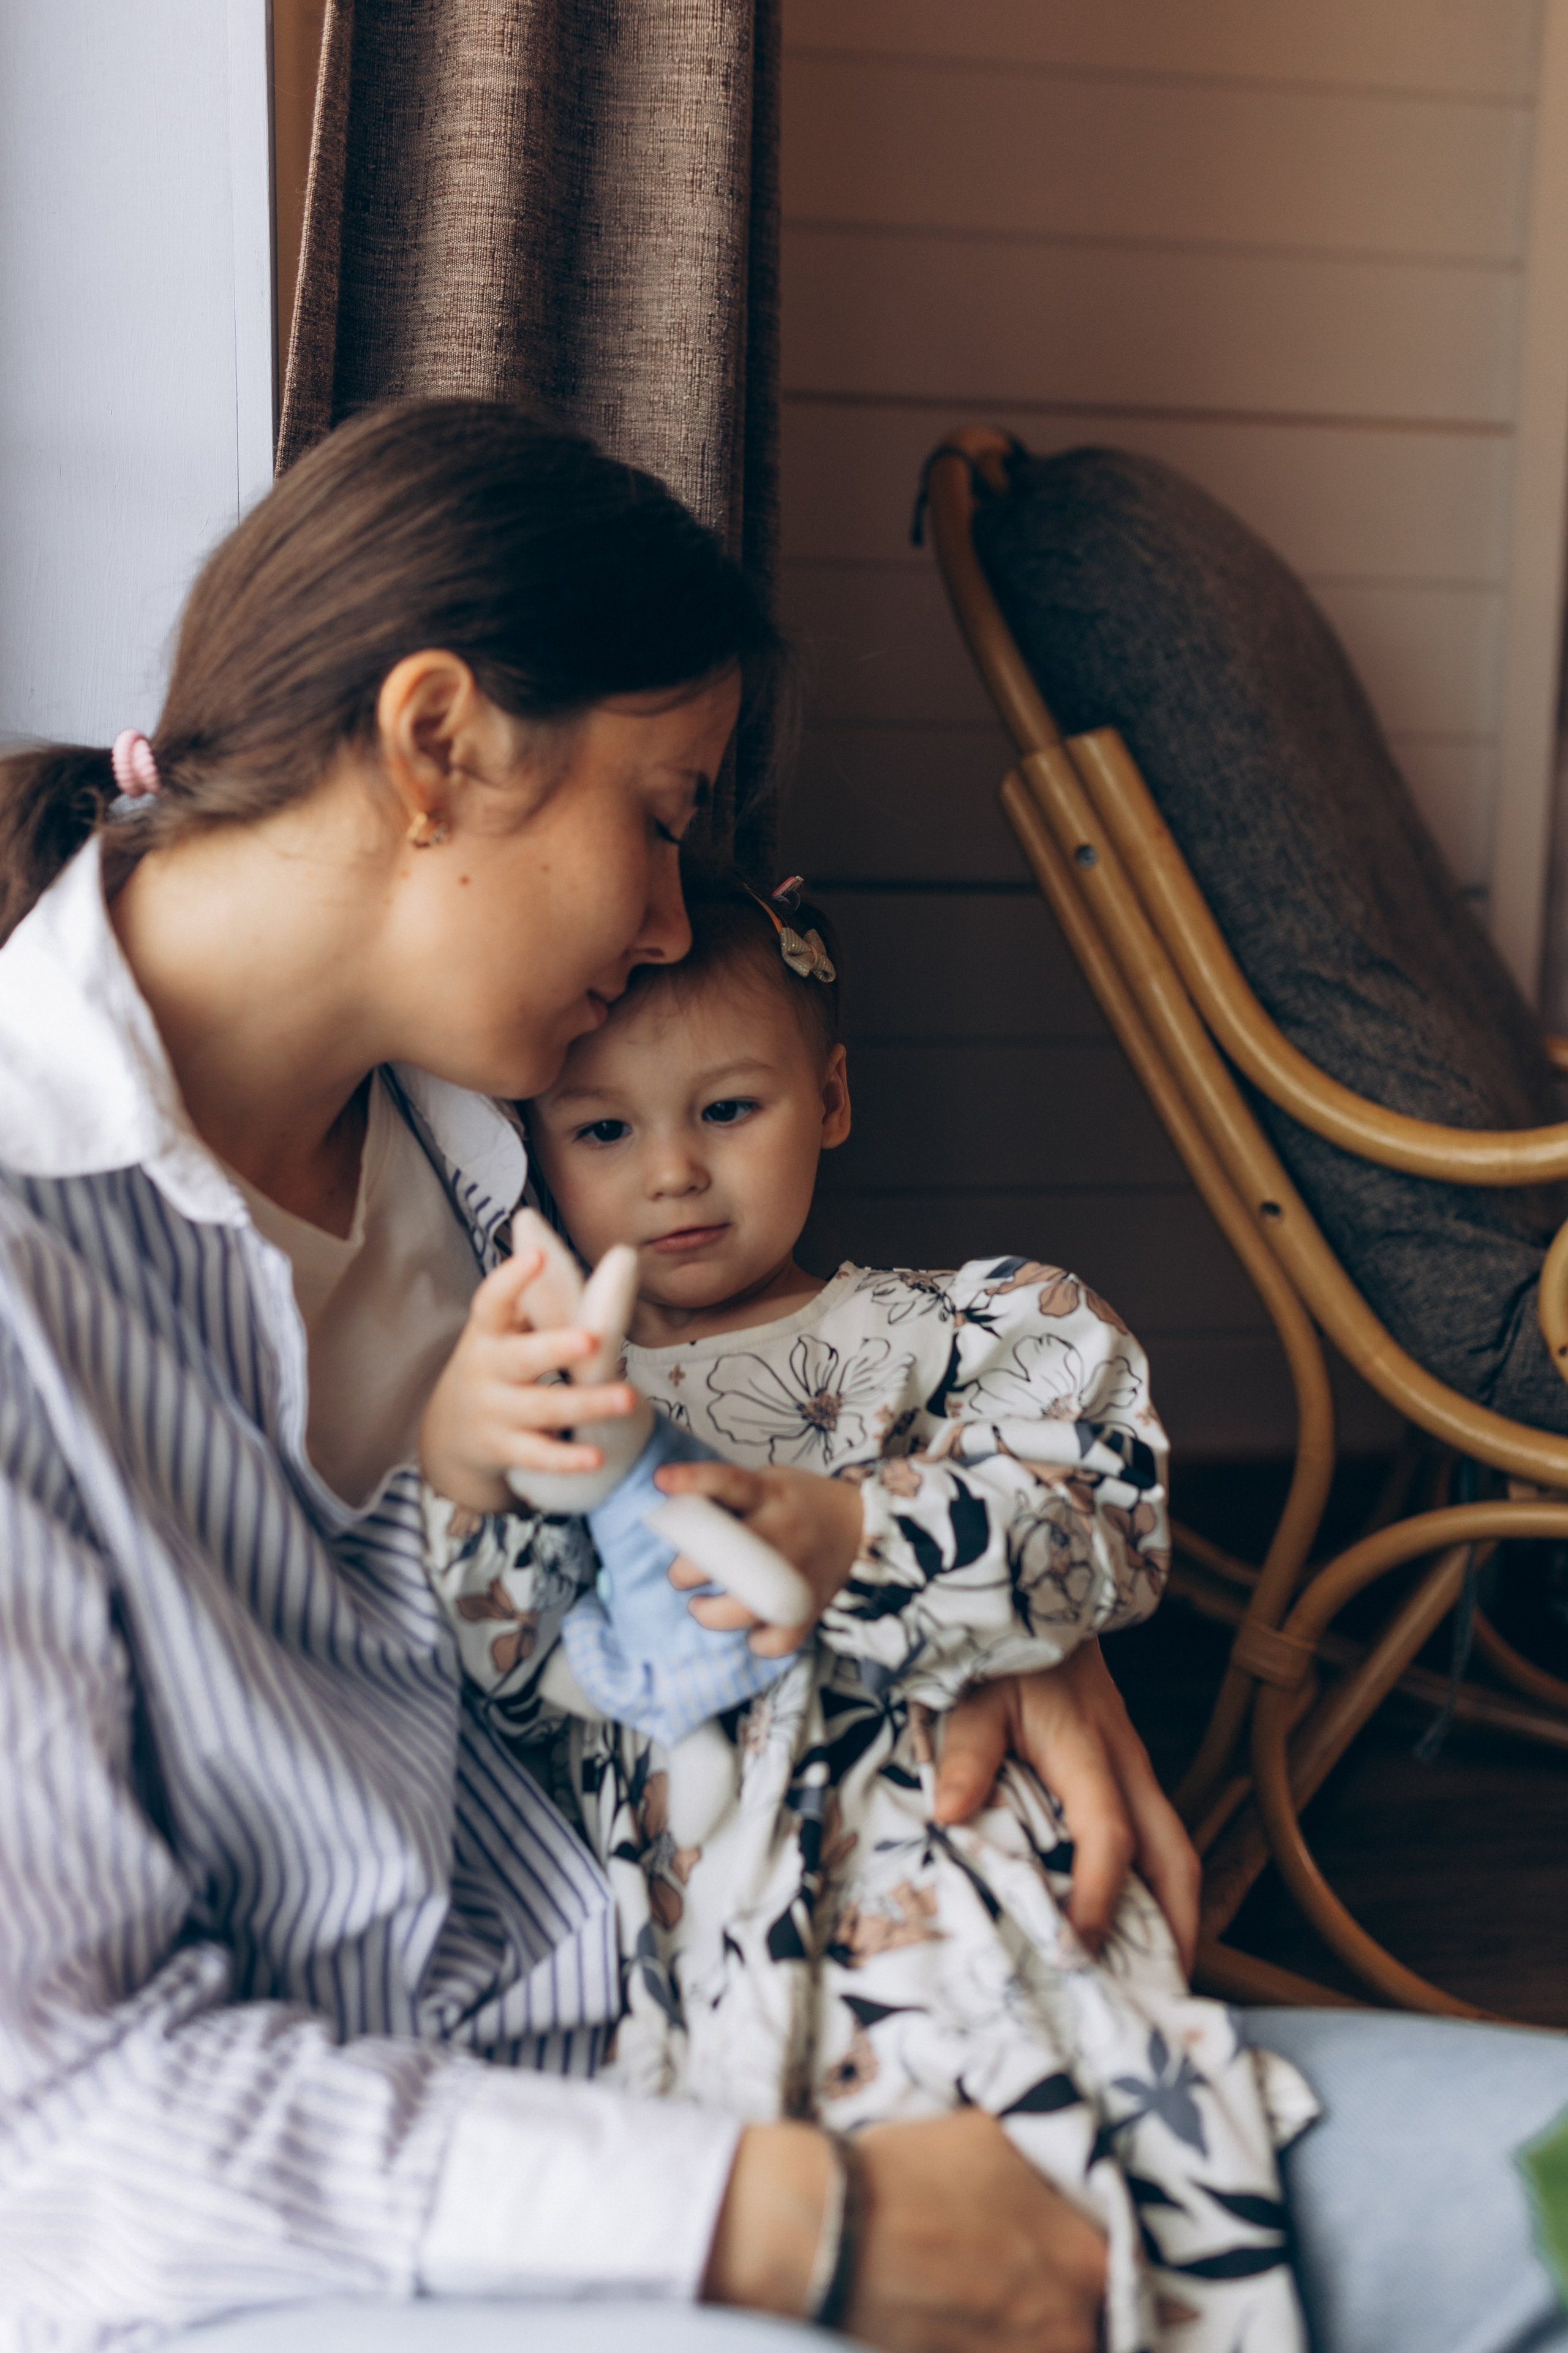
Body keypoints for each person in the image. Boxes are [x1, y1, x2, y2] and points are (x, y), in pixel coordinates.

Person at [0, 396, 1561, 2353]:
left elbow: (720, 1546)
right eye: (661, 817)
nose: (674, 923)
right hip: (408, 2218)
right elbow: (67, 2133)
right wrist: (804, 2222)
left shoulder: (508, 1168)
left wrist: (977, 1615)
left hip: (812, 2016)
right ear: (436, 745)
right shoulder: (37, 1272)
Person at [419, 874, 1317, 2353]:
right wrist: (468, 1473)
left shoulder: (966, 1330)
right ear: (534, 1147)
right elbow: (508, 1679)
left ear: (828, 1097)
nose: (673, 1174)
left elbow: (1099, 1535)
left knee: (1078, 2193)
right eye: (602, 1130)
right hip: (675, 1932)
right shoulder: (565, 1389)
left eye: (728, 1109)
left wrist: (854, 1531)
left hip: (944, 1867)